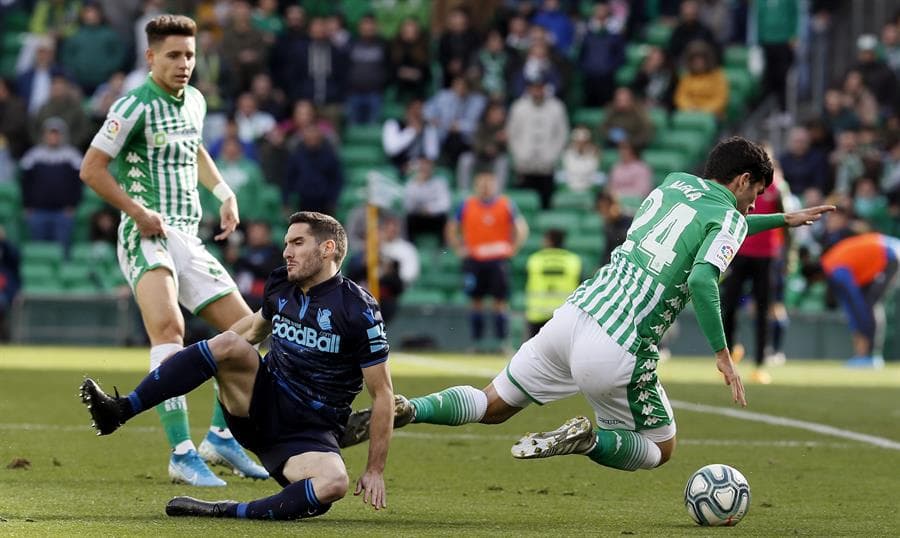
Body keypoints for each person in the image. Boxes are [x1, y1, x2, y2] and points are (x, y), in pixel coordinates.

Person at [340, 137, 833, 475]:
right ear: (744, 180)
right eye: (757, 197)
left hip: (572, 317)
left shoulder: (672, 185)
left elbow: (712, 224)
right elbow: (705, 276)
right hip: (620, 343)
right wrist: (722, 354)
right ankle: (587, 439)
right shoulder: (728, 218)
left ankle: (410, 407)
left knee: (492, 405)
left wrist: (783, 220)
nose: (754, 208)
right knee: (662, 448)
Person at [80, 212, 397, 520]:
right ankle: (120, 411)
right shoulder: (281, 284)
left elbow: (382, 394)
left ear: (327, 249)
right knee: (230, 343)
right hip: (258, 403)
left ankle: (224, 510)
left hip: (307, 434)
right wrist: (200, 358)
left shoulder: (359, 310)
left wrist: (374, 470)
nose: (287, 252)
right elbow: (251, 330)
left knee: (333, 484)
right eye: (287, 243)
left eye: (298, 243)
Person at [79, 14, 268, 486]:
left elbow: (195, 147)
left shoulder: (197, 101)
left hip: (189, 234)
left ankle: (221, 439)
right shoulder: (134, 105)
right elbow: (92, 168)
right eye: (174, 55)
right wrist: (137, 211)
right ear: (150, 57)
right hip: (147, 234)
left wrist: (224, 191)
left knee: (248, 332)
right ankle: (181, 453)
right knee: (170, 327)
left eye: (190, 55)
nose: (184, 64)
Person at [446, 172, 529, 353]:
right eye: (481, 183)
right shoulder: (467, 205)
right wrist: (459, 249)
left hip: (497, 260)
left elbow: (521, 228)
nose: (485, 187)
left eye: (489, 183)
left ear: (495, 185)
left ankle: (502, 343)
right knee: (476, 301)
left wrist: (513, 248)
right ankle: (476, 343)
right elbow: (452, 228)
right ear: (476, 186)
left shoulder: (505, 204)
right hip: (474, 261)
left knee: (500, 302)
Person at [719, 180, 785, 385]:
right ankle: (729, 352)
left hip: (766, 257)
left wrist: (787, 256)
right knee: (728, 306)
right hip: (738, 254)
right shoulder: (740, 188)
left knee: (763, 310)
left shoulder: (777, 190)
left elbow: (785, 221)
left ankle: (759, 363)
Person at [810, 233, 900, 368]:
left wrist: (860, 331)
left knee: (870, 305)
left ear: (816, 276)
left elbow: (856, 302)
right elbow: (850, 304)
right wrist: (856, 326)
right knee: (868, 306)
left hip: (891, 254)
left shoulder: (835, 270)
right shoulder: (830, 265)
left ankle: (871, 356)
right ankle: (865, 356)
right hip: (884, 252)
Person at [524, 228, 582, 338]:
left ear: (548, 241)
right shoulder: (573, 261)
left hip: (537, 316)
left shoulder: (535, 259)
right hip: (564, 316)